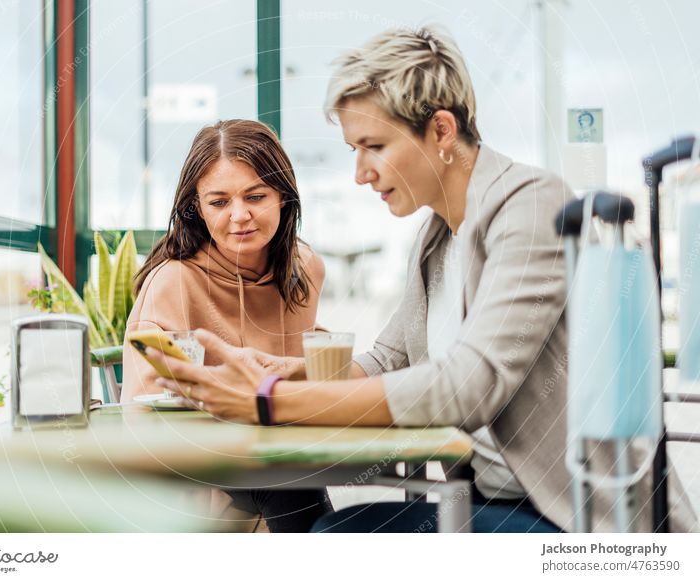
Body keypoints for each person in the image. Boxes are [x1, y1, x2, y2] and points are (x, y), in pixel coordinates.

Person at [147, 25, 699, 534]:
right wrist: (286, 375)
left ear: (440, 129)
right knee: (326, 528)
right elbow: (389, 359)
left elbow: (469, 385)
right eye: (354, 151)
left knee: (333, 540)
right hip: (487, 497)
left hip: (573, 515)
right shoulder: (436, 235)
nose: (360, 173)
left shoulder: (531, 206)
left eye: (374, 147)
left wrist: (271, 403)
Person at [121, 119, 331, 533]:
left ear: (284, 198)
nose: (240, 216)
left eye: (256, 196)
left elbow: (296, 374)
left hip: (280, 456)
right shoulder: (172, 282)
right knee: (295, 487)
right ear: (196, 207)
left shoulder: (305, 270)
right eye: (218, 202)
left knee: (297, 481)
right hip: (194, 474)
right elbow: (144, 412)